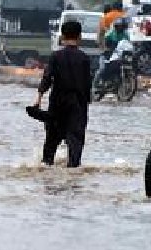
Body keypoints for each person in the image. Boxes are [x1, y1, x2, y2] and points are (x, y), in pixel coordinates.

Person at [32, 19, 92, 168]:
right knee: (75, 146)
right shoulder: (84, 58)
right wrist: (85, 105)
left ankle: (47, 172)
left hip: (58, 104)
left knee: (50, 146)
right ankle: (72, 175)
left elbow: (47, 78)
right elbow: (87, 85)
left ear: (62, 37)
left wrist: (38, 99)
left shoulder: (55, 56)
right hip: (77, 105)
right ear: (79, 37)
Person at [98, 17, 134, 83]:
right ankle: (101, 81)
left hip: (119, 55)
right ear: (115, 26)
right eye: (118, 26)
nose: (120, 28)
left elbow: (128, 45)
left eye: (121, 26)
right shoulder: (110, 34)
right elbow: (104, 43)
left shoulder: (126, 35)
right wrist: (106, 48)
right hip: (109, 54)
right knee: (103, 69)